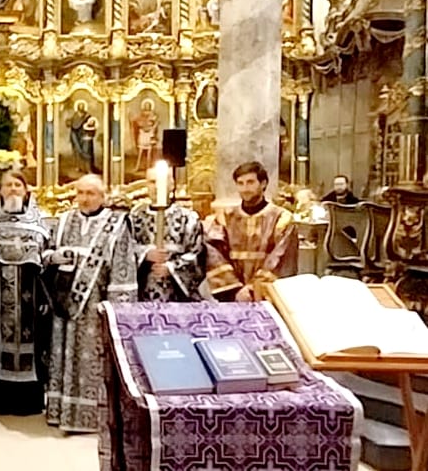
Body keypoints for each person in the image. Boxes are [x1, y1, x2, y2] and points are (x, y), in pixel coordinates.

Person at [45, 174, 136, 433]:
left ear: (103, 196)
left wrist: (116, 310)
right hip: (65, 303)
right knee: (64, 355)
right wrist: (54, 257)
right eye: (80, 193)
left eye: (91, 193)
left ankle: (92, 416)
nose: (84, 199)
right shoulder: (64, 220)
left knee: (92, 359)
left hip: (96, 303)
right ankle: (63, 411)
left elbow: (123, 267)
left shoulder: (116, 224)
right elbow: (46, 253)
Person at [0, 170, 50, 415]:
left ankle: (28, 399)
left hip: (31, 295)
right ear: (0, 191)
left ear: (26, 191)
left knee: (31, 341)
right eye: (8, 185)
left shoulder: (39, 223)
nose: (13, 189)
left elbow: (48, 256)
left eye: (18, 184)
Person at [205, 161, 299, 302]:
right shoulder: (224, 218)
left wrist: (253, 288)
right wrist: (235, 289)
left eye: (250, 182)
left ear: (263, 184)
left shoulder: (281, 219)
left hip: (268, 296)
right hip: (233, 295)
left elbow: (280, 258)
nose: (245, 189)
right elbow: (214, 254)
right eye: (240, 183)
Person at [130, 167, 207, 302]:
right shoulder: (134, 218)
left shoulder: (188, 218)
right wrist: (145, 254)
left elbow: (197, 254)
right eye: (152, 182)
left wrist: (171, 268)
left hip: (177, 295)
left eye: (162, 182)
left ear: (172, 185)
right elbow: (123, 252)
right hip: (142, 292)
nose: (156, 187)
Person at [68, 102, 99, 174]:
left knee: (87, 151)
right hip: (76, 136)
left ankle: (89, 168)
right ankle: (80, 167)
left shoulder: (87, 116)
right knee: (77, 152)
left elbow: (92, 124)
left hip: (85, 136)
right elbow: (72, 125)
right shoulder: (75, 116)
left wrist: (90, 129)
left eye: (82, 106)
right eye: (80, 106)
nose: (81, 107)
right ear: (78, 107)